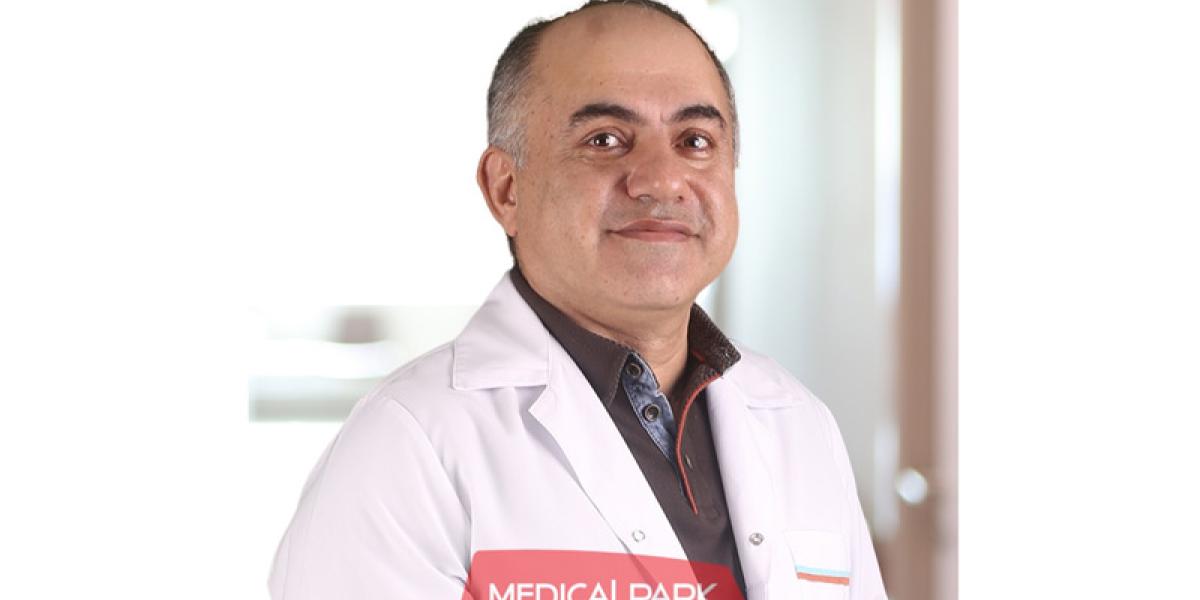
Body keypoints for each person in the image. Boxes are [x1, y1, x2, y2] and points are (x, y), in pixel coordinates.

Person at [268, 1, 887, 599]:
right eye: (605, 139)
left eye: (695, 140)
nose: (663, 179)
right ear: (506, 189)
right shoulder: (407, 446)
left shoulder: (799, 424)